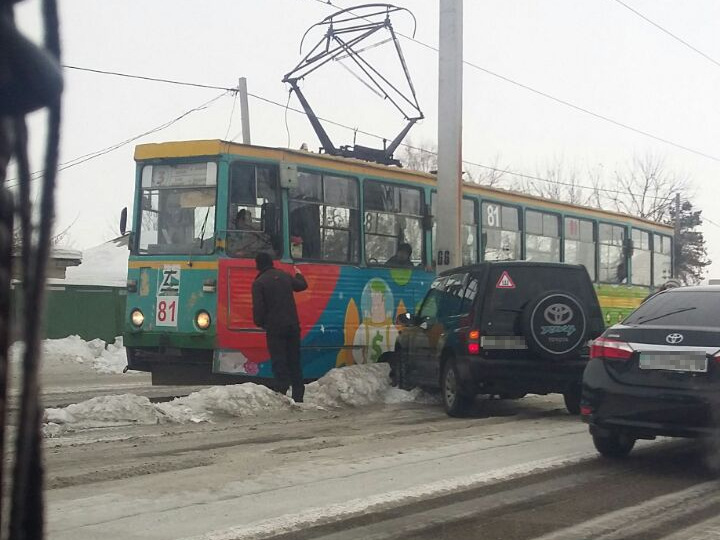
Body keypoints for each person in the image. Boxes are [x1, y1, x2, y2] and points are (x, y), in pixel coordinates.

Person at [251, 252, 308, 402]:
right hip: (293, 325)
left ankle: (281, 391)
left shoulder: (259, 282)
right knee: (294, 360)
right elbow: (302, 286)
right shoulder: (284, 276)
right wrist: (299, 275)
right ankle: (298, 394)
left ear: (258, 265)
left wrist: (261, 323)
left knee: (279, 359)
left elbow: (258, 308)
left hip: (275, 327)